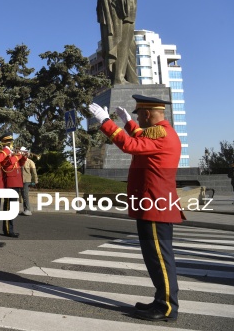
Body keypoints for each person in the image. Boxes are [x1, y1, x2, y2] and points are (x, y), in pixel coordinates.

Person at [89, 95, 183, 322]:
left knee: (160, 258)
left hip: (155, 205)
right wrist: (127, 122)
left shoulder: (162, 136)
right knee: (155, 258)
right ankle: (160, 299)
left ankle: (167, 306)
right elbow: (141, 136)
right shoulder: (161, 132)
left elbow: (131, 145)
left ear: (148, 114)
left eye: (139, 115)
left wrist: (105, 122)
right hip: (151, 204)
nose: (138, 120)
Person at [0, 133, 25, 238]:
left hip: (16, 182)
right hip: (9, 182)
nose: (11, 144)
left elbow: (21, 164)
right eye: (8, 142)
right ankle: (8, 229)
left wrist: (23, 156)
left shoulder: (13, 154)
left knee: (13, 208)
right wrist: (18, 155)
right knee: (8, 207)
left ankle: (10, 228)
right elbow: (8, 163)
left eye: (11, 142)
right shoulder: (3, 153)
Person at [19, 147, 38, 216]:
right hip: (20, 180)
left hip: (26, 180)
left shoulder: (30, 162)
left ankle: (28, 209)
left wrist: (35, 181)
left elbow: (34, 172)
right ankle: (25, 209)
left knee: (25, 195)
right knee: (22, 195)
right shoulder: (19, 160)